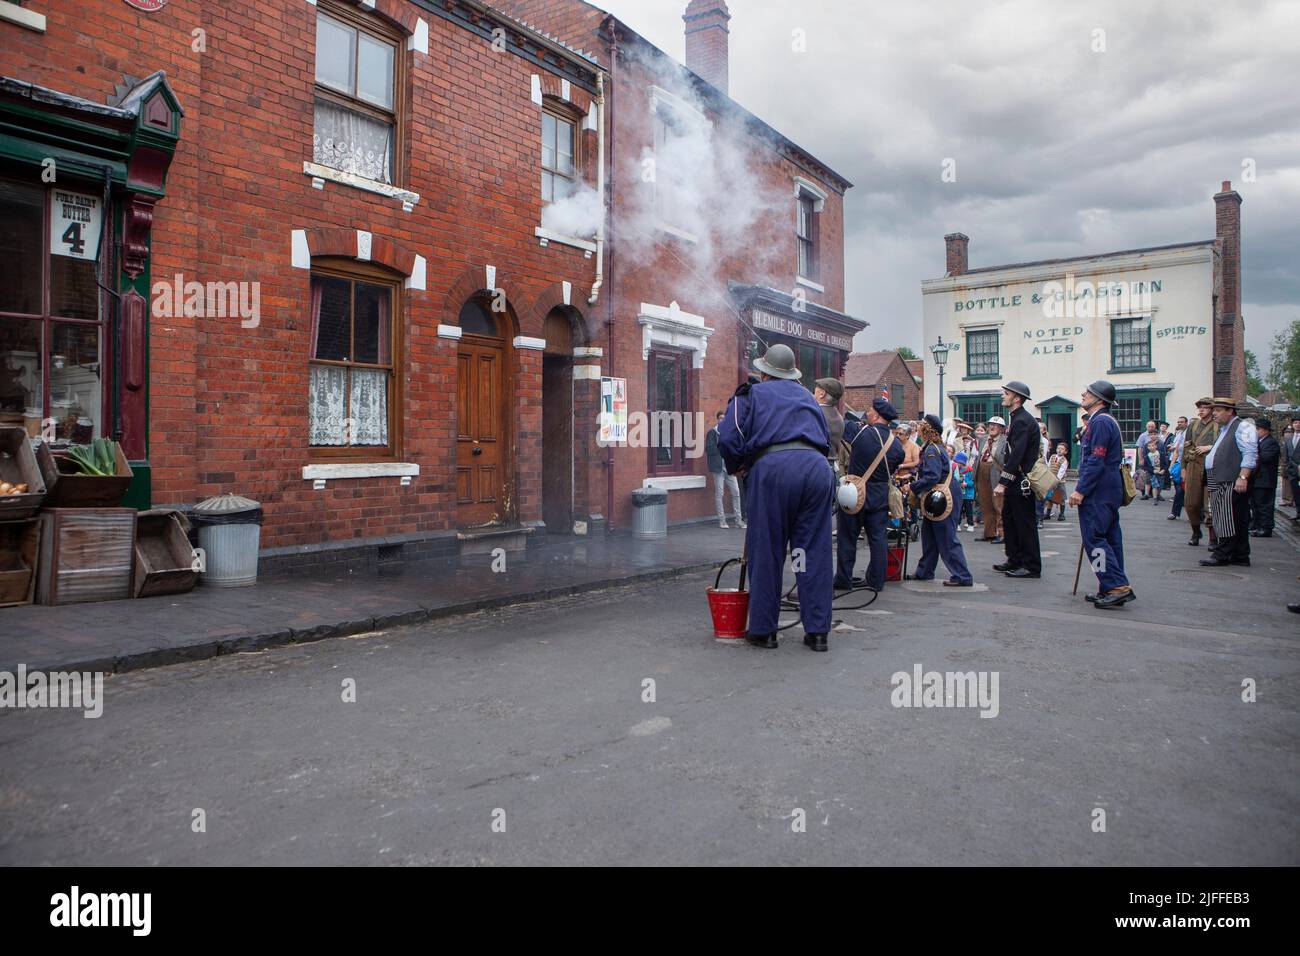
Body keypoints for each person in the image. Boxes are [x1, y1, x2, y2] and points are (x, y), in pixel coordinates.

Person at [718, 344, 835, 651]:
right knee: (812, 552)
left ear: (764, 373)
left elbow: (728, 436)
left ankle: (763, 630)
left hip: (774, 470)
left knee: (768, 549)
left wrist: (738, 466)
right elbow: (826, 440)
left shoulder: (751, 395)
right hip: (816, 469)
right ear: (792, 374)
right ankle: (818, 631)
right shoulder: (809, 399)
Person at [1070, 380, 1133, 609]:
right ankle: (1110, 586)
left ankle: (1116, 585)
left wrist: (1080, 490)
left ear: (1099, 399)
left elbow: (1095, 461)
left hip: (1099, 491)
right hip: (1108, 490)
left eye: (1088, 392)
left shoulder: (1100, 423)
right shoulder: (1104, 421)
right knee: (1110, 538)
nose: (1083, 394)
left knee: (1094, 539)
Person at [834, 397, 904, 595]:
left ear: (878, 415)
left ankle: (844, 579)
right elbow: (895, 463)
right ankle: (876, 581)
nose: (868, 414)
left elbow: (840, 425)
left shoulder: (862, 432)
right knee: (878, 539)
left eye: (871, 411)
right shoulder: (897, 445)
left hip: (855, 493)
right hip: (880, 495)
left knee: (847, 538)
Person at [906, 414, 973, 586]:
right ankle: (925, 571)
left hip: (943, 495)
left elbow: (932, 476)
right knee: (929, 534)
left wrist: (912, 487)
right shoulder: (936, 447)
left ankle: (962, 576)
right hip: (942, 493)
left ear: (926, 430)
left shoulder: (931, 450)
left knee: (946, 536)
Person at [1199, 398, 1258, 568]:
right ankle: (1239, 554)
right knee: (1234, 517)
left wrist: (1243, 476)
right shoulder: (1226, 428)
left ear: (1229, 411)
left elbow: (1250, 453)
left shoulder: (1243, 426)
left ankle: (1222, 553)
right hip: (1221, 477)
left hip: (1230, 478)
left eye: (1217, 410)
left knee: (1226, 518)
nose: (1214, 413)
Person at [994, 381, 1042, 578]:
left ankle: (1031, 566)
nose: (1003, 396)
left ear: (1017, 398)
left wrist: (1003, 482)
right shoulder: (1017, 418)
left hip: (1021, 480)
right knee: (1010, 519)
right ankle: (1014, 559)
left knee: (1024, 523)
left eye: (1006, 393)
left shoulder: (1022, 420)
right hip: (1016, 480)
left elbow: (1017, 456)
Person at [1182, 397, 1219, 547]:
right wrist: (1183, 467)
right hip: (1194, 466)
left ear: (1211, 409)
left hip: (1211, 466)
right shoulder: (1193, 425)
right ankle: (1196, 532)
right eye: (1200, 407)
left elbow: (1223, 443)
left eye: (1205, 407)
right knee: (1190, 502)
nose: (1201, 410)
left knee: (1210, 504)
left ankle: (1212, 538)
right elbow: (1186, 446)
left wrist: (1209, 446)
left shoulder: (1218, 425)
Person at [706, 411, 745, 530]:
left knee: (736, 492)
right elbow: (709, 449)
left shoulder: (729, 434)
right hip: (718, 467)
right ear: (717, 420)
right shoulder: (712, 433)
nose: (723, 420)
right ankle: (722, 521)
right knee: (720, 493)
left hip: (729, 467)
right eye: (720, 418)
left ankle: (738, 520)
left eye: (724, 418)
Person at [977, 415, 1007, 543]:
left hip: (996, 473)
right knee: (985, 503)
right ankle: (989, 533)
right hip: (982, 471)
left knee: (998, 504)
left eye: (996, 425)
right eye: (990, 425)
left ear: (1001, 428)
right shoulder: (983, 439)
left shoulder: (1005, 441)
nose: (992, 427)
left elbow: (1007, 462)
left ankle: (1002, 533)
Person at [1249, 417, 1279, 537]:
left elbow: (1266, 458)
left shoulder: (1271, 442)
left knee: (1265, 505)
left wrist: (1255, 454)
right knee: (1256, 505)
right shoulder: (1260, 442)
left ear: (1266, 430)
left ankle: (1266, 527)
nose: (1256, 432)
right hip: (1258, 480)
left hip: (1266, 480)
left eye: (1258, 429)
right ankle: (1257, 525)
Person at [813, 377, 845, 472]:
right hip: (830, 466)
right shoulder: (839, 417)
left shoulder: (815, 413)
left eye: (816, 390)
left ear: (822, 394)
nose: (813, 392)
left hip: (816, 466)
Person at [1167, 416, 1189, 520]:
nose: (1179, 423)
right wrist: (1171, 465)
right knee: (1179, 489)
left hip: (1188, 465)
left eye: (1182, 422)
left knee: (1182, 490)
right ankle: (1175, 512)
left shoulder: (1188, 433)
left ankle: (1198, 515)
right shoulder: (1179, 433)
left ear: (1186, 423)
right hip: (1179, 464)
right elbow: (1176, 450)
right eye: (1178, 422)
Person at [1042, 442, 1069, 521]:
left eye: (1062, 449)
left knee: (1061, 498)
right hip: (1051, 481)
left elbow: (1061, 472)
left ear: (1065, 452)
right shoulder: (1052, 456)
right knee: (1050, 498)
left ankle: (1062, 514)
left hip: (1059, 482)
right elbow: (1049, 466)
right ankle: (1048, 513)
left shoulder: (1064, 460)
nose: (1059, 450)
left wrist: (1056, 480)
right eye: (1058, 448)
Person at [1283, 416, 1300, 524]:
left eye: (1299, 423)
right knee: (1296, 493)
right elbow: (1287, 455)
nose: (1297, 425)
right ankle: (1298, 512)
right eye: (1295, 423)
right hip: (1292, 472)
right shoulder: (1289, 439)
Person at [1135, 421, 1158, 499]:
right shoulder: (1143, 436)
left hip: (1155, 459)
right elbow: (1140, 448)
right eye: (1149, 426)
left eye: (1152, 426)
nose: (1151, 428)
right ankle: (1145, 493)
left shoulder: (1157, 435)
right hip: (1146, 458)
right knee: (1145, 475)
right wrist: (1141, 459)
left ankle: (1155, 493)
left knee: (1155, 475)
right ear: (1146, 427)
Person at [954, 451, 976, 530]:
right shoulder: (955, 470)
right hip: (960, 494)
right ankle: (958, 524)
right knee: (958, 510)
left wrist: (966, 484)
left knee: (969, 511)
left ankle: (970, 524)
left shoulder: (969, 471)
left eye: (958, 462)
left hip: (968, 495)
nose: (956, 464)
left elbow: (973, 482)